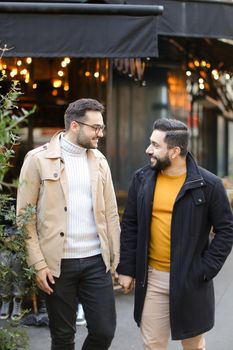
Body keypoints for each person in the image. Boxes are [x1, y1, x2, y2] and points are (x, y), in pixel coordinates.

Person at [117, 118, 233, 350]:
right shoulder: (142, 179)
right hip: (153, 278)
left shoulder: (208, 185)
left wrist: (205, 269)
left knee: (193, 345)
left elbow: (226, 231)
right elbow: (131, 225)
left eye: (155, 145)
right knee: (152, 344)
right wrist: (127, 269)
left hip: (191, 278)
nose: (148, 149)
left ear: (174, 151)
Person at [17, 98, 120, 350]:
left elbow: (111, 214)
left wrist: (116, 260)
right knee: (63, 338)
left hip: (97, 261)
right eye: (95, 127)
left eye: (102, 127)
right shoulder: (37, 159)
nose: (101, 133)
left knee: (104, 331)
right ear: (75, 125)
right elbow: (24, 217)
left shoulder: (100, 161)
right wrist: (38, 264)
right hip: (57, 265)